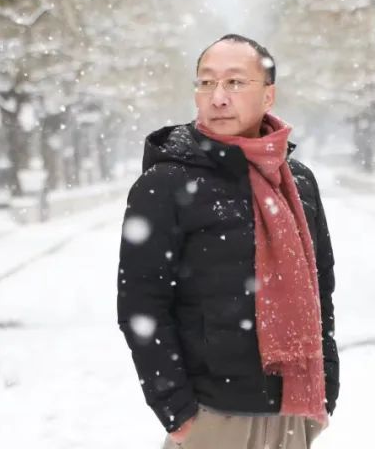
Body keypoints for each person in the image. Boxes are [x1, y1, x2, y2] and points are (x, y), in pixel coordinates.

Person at [117, 34, 338, 449]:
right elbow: (141, 305)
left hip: (295, 412)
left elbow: (320, 290)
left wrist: (326, 384)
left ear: (268, 95)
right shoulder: (166, 182)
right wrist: (178, 413)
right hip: (213, 418)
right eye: (207, 82)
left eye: (235, 82)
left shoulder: (297, 181)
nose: (218, 97)